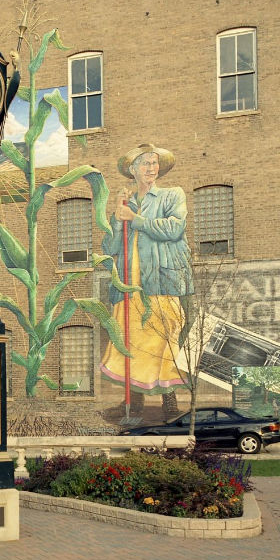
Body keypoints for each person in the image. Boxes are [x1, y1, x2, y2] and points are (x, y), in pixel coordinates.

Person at [99, 143, 193, 414]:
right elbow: (111, 248)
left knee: (164, 336)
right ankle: (134, 402)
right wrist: (119, 217)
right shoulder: (128, 202)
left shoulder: (171, 195)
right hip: (129, 284)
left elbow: (175, 228)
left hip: (161, 280)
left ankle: (170, 403)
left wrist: (135, 219)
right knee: (131, 338)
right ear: (132, 170)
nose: (151, 168)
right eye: (145, 163)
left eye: (154, 163)